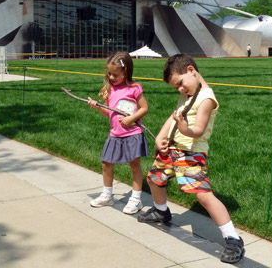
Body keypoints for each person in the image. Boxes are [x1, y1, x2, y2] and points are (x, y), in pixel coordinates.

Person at [137, 53, 245, 264]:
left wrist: (184, 128)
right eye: (176, 87)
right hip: (172, 149)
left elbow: (198, 130)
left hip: (191, 153)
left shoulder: (206, 99)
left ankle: (233, 238)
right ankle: (161, 212)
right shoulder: (188, 94)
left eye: (180, 84)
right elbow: (174, 115)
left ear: (190, 70)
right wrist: (160, 137)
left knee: (203, 195)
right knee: (154, 179)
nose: (180, 89)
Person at [87, 51, 149, 214]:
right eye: (109, 73)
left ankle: (136, 199)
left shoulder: (134, 88)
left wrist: (131, 119)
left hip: (132, 134)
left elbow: (144, 108)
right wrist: (98, 107)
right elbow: (111, 113)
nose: (112, 77)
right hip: (115, 134)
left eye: (116, 75)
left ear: (126, 72)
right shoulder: (111, 90)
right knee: (106, 164)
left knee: (134, 165)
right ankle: (107, 195)